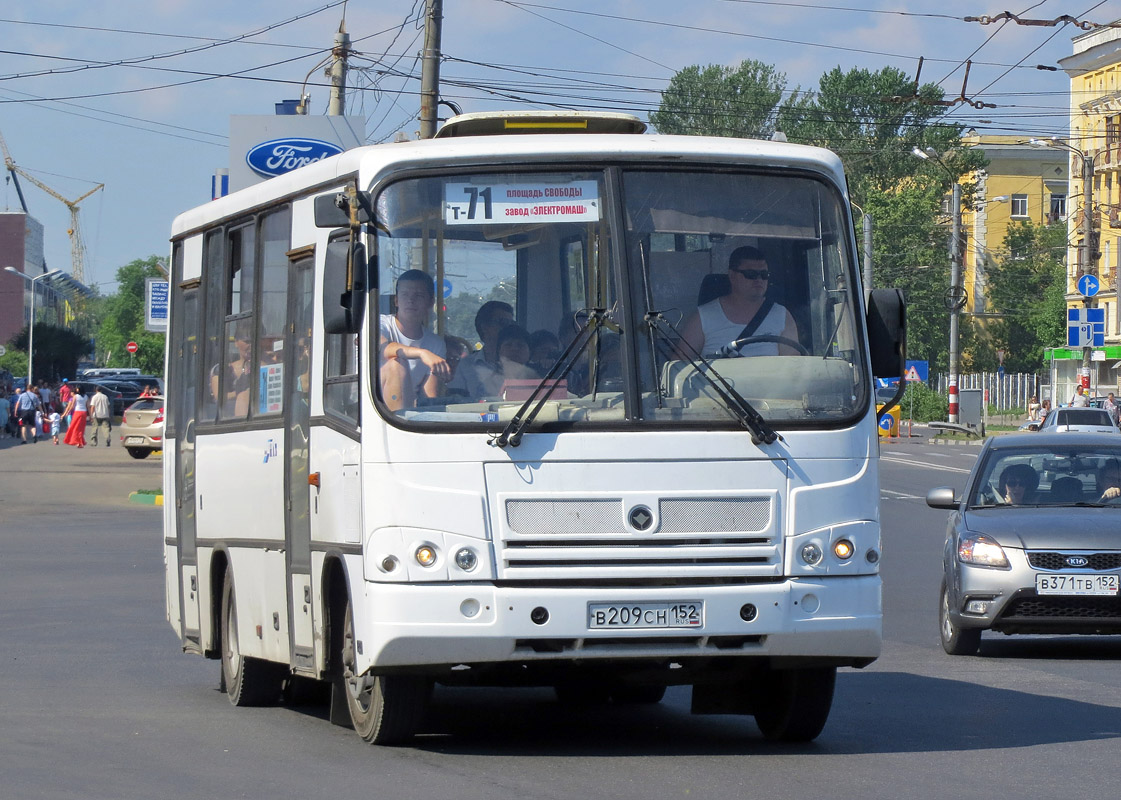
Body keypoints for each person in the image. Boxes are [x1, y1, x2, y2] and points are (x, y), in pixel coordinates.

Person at [679, 245, 800, 358]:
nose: (759, 279)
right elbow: (678, 366)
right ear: (732, 276)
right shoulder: (703, 317)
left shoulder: (781, 316)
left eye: (764, 274)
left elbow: (794, 368)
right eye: (751, 274)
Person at [378, 269, 448, 411]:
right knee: (396, 363)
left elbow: (429, 395)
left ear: (430, 302)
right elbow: (383, 347)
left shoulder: (435, 344)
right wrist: (422, 353)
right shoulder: (380, 324)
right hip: (370, 408)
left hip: (411, 412)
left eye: (419, 295)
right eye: (405, 295)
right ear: (396, 300)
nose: (411, 300)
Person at [446, 300, 515, 399]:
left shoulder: (521, 364)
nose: (508, 329)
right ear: (485, 327)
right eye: (502, 323)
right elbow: (455, 401)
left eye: (511, 324)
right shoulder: (465, 366)